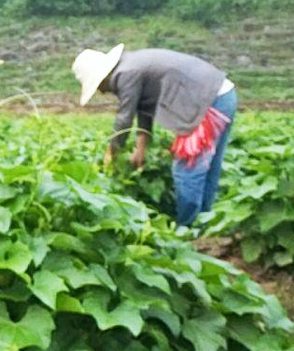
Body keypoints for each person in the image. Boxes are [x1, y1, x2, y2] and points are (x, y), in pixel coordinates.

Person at [72, 45, 237, 228]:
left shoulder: (125, 73)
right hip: (223, 95)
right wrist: (140, 149)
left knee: (186, 169)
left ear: (103, 77)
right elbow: (144, 109)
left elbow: (124, 118)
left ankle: (188, 230)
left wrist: (111, 152)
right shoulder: (132, 64)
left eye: (98, 86)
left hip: (208, 102)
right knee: (208, 168)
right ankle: (203, 225)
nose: (101, 92)